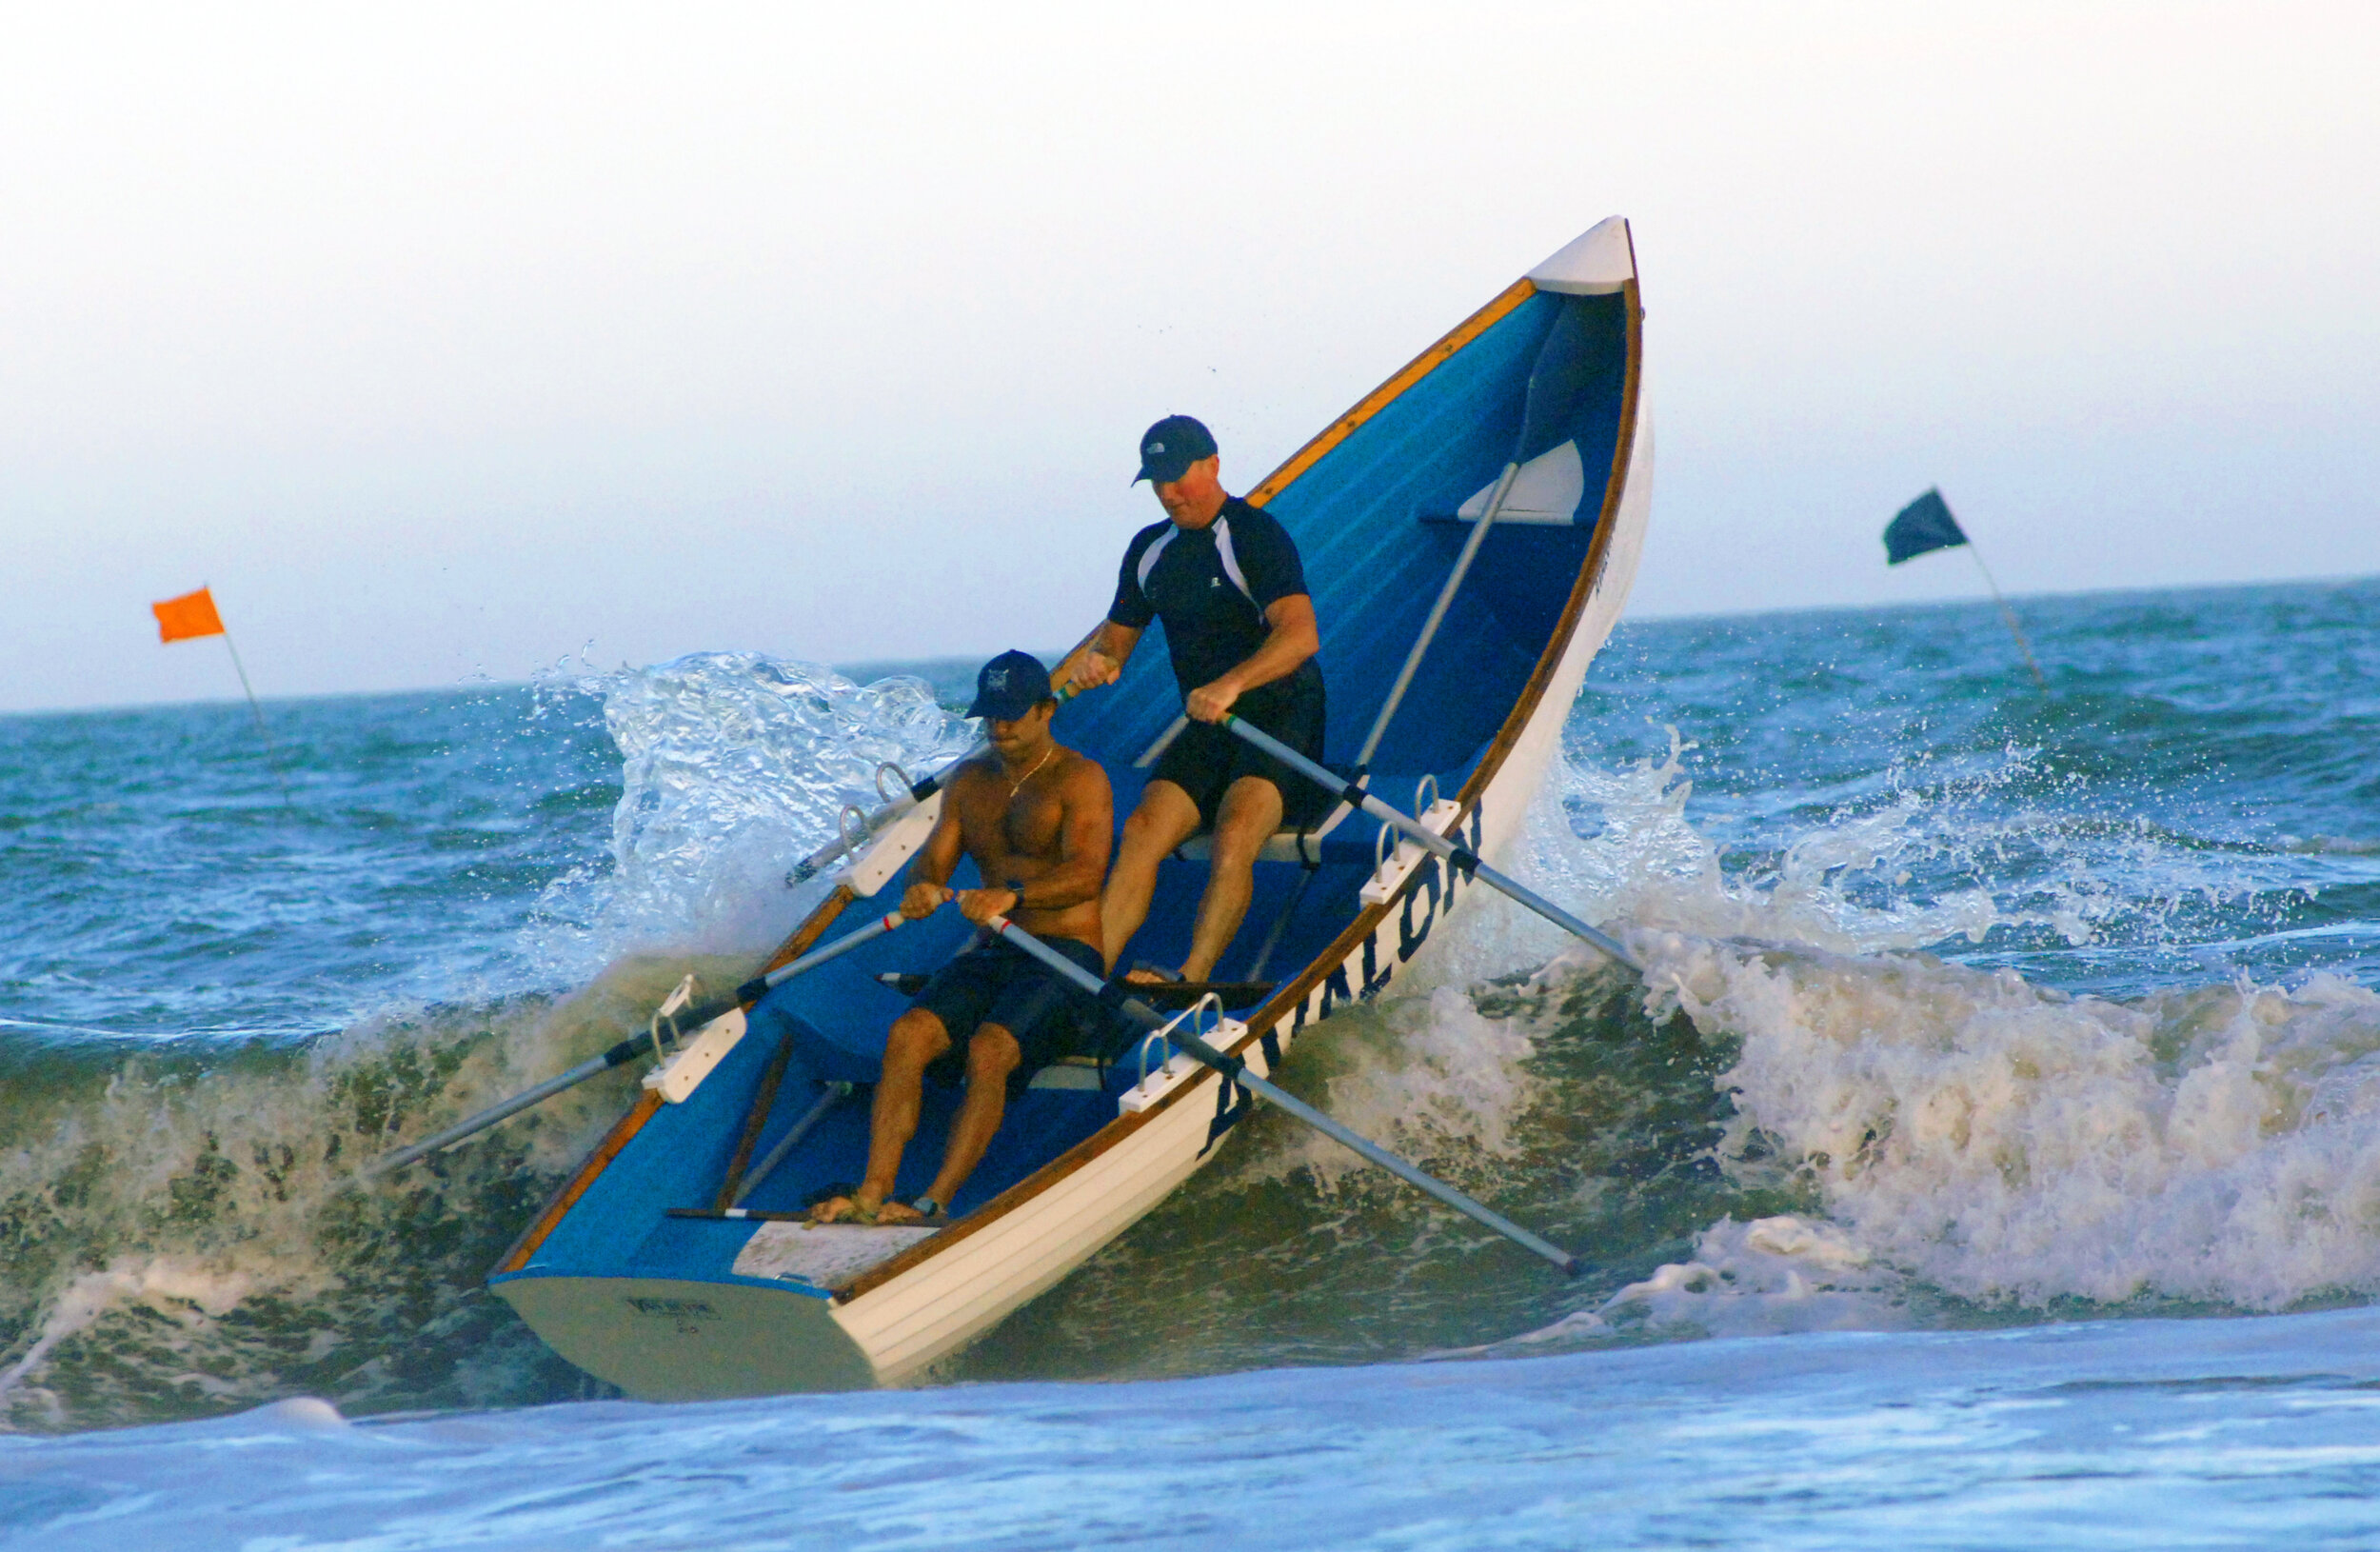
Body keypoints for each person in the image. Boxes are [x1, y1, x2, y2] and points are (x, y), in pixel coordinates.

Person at [811, 651, 1113, 1226]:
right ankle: (873, 1193)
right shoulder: (970, 782)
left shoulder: (1080, 778)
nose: (998, 728)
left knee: (988, 1049)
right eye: (989, 717)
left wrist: (1012, 896)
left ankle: (932, 1201)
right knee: (908, 1033)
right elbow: (933, 861)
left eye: (1011, 716)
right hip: (996, 951)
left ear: (1046, 710)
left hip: (1066, 956)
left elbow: (1087, 873)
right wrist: (923, 888)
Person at [1056, 414, 1325, 985]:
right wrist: (1098, 663)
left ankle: (1191, 976)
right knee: (1143, 830)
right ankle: (1085, 980)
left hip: (1279, 718)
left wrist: (1233, 684)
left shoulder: (1254, 535)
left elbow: (1301, 635)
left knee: (1236, 832)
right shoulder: (1149, 550)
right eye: (1156, 482)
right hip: (1208, 726)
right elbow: (1115, 647)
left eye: (1178, 477)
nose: (1168, 494)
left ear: (1214, 465)